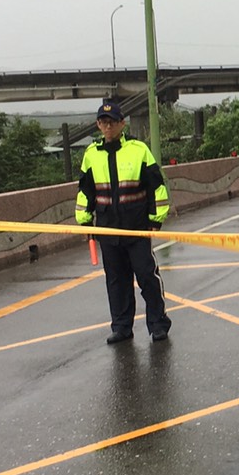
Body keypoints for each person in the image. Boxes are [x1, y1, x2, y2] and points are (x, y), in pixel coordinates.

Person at [75, 101, 173, 343]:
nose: (108, 126)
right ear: (98, 125)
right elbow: (86, 191)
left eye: (112, 122)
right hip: (108, 228)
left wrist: (155, 220)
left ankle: (158, 324)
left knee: (147, 276)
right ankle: (121, 327)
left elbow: (156, 186)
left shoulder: (139, 150)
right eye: (103, 122)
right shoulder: (91, 155)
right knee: (116, 281)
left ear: (122, 124)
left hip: (136, 228)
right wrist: (85, 222)